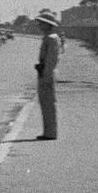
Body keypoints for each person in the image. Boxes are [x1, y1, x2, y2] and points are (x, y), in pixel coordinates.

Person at [33, 8, 63, 140]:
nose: (39, 25)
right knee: (45, 104)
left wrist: (46, 75)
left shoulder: (51, 39)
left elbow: (51, 60)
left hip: (47, 73)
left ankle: (50, 133)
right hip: (45, 72)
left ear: (48, 24)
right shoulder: (49, 38)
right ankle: (48, 132)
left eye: (41, 23)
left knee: (48, 104)